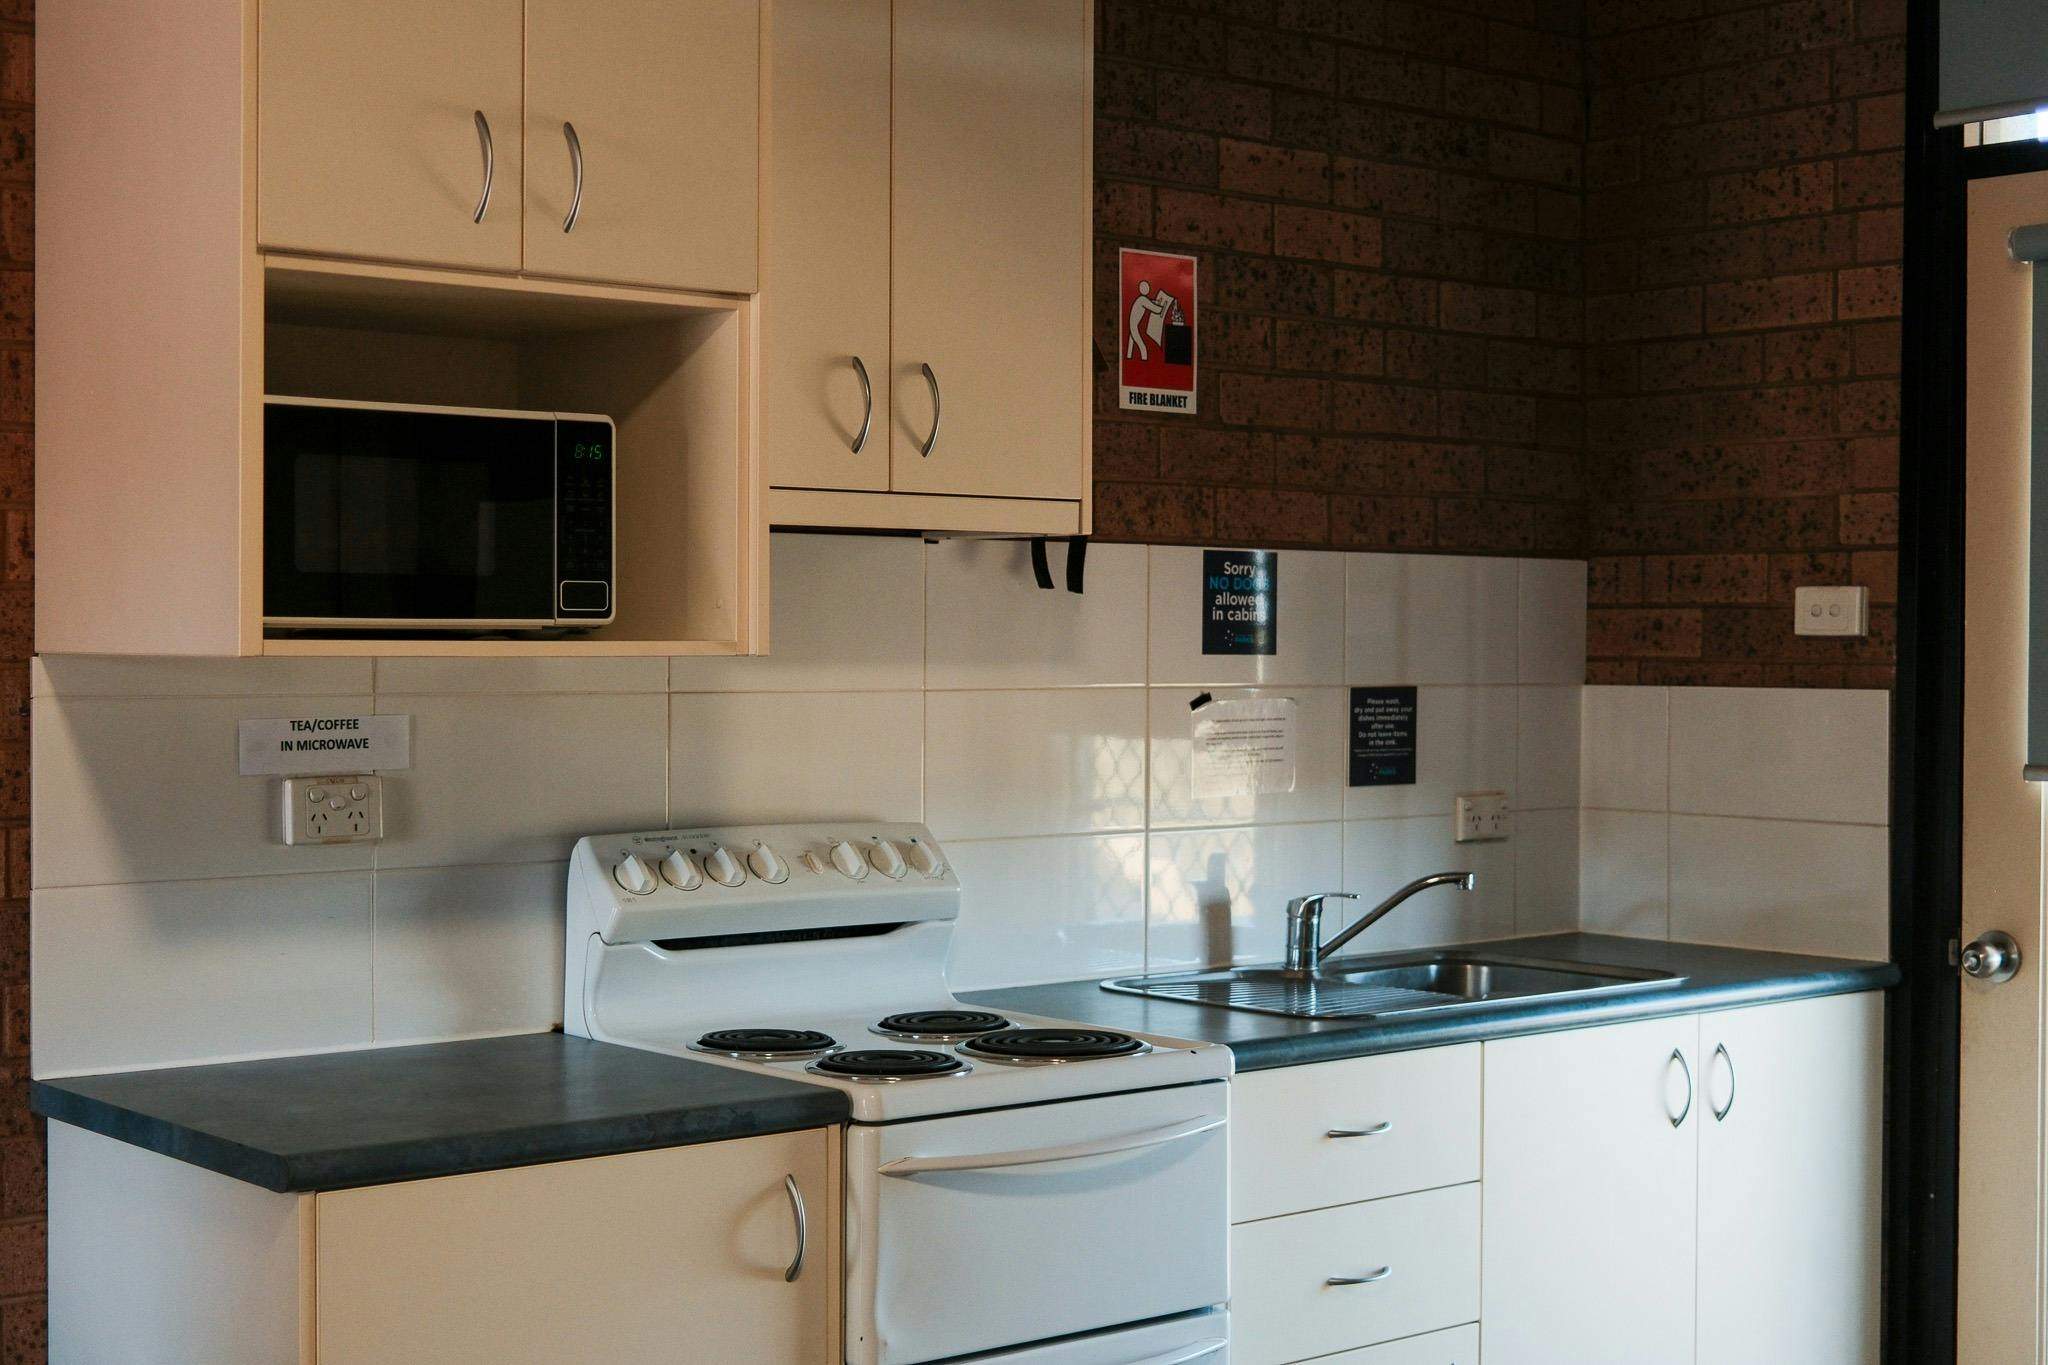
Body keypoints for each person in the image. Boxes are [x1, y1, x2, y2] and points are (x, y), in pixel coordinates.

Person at [1126, 280, 1172, 361]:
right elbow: (1157, 310)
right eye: (1146, 287)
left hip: (1133, 326)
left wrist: (1156, 302)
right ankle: (1143, 363)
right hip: (1134, 327)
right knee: (1143, 349)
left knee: (1130, 351)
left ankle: (1130, 359)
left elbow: (1150, 302)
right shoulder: (1142, 300)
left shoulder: (1141, 298)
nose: (1148, 288)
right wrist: (1163, 305)